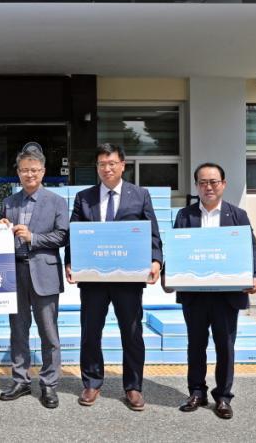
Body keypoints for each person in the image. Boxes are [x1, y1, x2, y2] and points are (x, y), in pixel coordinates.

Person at [65, 143, 162, 411]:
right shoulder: (84, 197)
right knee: (90, 332)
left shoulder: (140, 195)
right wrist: (70, 262)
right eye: (101, 164)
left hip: (128, 278)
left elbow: (153, 233)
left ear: (122, 165)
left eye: (111, 163)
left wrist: (156, 260)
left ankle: (133, 387)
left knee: (131, 332)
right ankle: (92, 382)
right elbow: (74, 234)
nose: (106, 169)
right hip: (93, 277)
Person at [166, 162, 256, 419]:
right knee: (195, 345)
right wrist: (168, 274)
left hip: (227, 295)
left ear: (223, 184)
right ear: (196, 185)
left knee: (225, 347)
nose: (208, 187)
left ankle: (223, 397)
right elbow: (175, 250)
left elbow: (252, 248)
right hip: (195, 294)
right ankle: (197, 392)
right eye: (203, 182)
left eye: (213, 182)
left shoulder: (237, 215)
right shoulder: (184, 215)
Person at [0, 149, 68, 408]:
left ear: (43, 172)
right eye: (25, 170)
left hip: (44, 271)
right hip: (14, 271)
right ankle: (20, 380)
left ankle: (49, 384)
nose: (29, 174)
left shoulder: (56, 201)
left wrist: (33, 238)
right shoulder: (10, 202)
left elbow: (62, 236)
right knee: (18, 330)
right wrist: (0, 229)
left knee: (49, 332)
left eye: (34, 170)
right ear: (18, 173)